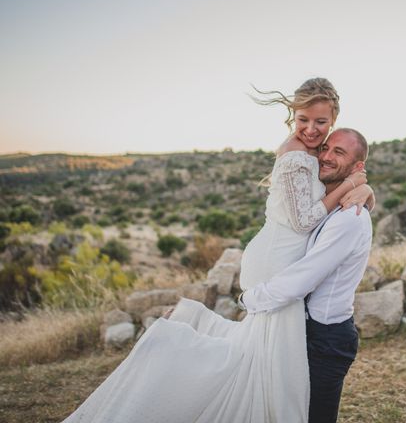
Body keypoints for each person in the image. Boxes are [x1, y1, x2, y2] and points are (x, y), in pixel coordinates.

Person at [62, 78, 374, 423]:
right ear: (292, 115)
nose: (312, 131)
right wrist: (352, 183)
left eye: (321, 124)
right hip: (277, 260)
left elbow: (337, 183)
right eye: (304, 120)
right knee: (263, 366)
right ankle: (178, 354)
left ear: (332, 122)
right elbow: (305, 221)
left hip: (281, 261)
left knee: (261, 361)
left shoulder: (317, 155)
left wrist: (364, 187)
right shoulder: (295, 153)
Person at [239, 128, 373, 423]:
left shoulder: (349, 218)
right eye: (326, 148)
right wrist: (364, 187)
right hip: (304, 329)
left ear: (358, 167)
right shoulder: (331, 205)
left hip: (326, 338)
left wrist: (249, 299)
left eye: (339, 153)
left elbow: (303, 278)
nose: (325, 156)